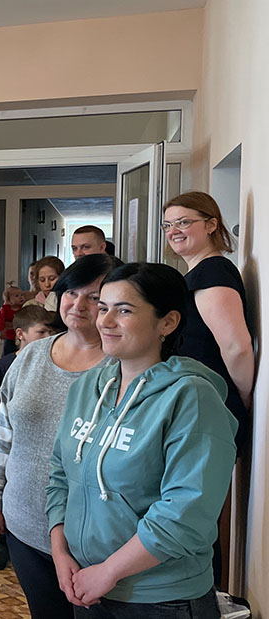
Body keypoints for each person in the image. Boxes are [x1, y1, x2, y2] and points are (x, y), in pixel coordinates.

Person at [45, 262, 236, 617]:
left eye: (124, 310)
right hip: (87, 585)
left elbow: (185, 512)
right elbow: (60, 474)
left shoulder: (191, 398)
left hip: (162, 598)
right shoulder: (89, 387)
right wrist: (61, 552)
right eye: (103, 308)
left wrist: (109, 571)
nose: (105, 320)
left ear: (168, 322)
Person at [0, 253, 119, 619]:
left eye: (95, 296)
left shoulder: (124, 367)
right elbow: (4, 433)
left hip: (95, 539)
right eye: (72, 292)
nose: (79, 304)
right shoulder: (29, 356)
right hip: (25, 523)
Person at [162, 191, 253, 586]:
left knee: (198, 513)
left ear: (211, 224)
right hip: (201, 404)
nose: (174, 231)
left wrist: (244, 399)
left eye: (183, 222)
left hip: (214, 406)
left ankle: (206, 596)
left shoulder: (213, 272)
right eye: (168, 225)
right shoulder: (198, 272)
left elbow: (236, 346)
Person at [0, 304, 56, 570]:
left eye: (50, 331)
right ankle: (3, 545)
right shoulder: (5, 365)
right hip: (11, 443)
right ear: (21, 334)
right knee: (6, 494)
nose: (48, 337)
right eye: (42, 332)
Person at [0, 283, 26, 357]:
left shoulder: (23, 308)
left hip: (19, 337)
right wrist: (1, 330)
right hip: (8, 336)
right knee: (7, 353)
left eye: (22, 295)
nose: (21, 297)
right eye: (17, 296)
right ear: (8, 300)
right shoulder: (5, 309)